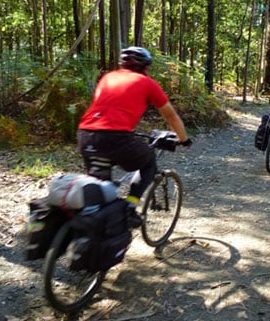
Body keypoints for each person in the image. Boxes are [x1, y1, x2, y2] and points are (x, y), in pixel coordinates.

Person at [77, 46, 192, 227]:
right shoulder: (147, 82)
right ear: (146, 67)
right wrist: (184, 139)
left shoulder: (108, 78)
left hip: (86, 135)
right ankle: (130, 206)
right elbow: (171, 115)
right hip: (116, 138)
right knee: (148, 162)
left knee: (101, 190)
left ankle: (97, 229)